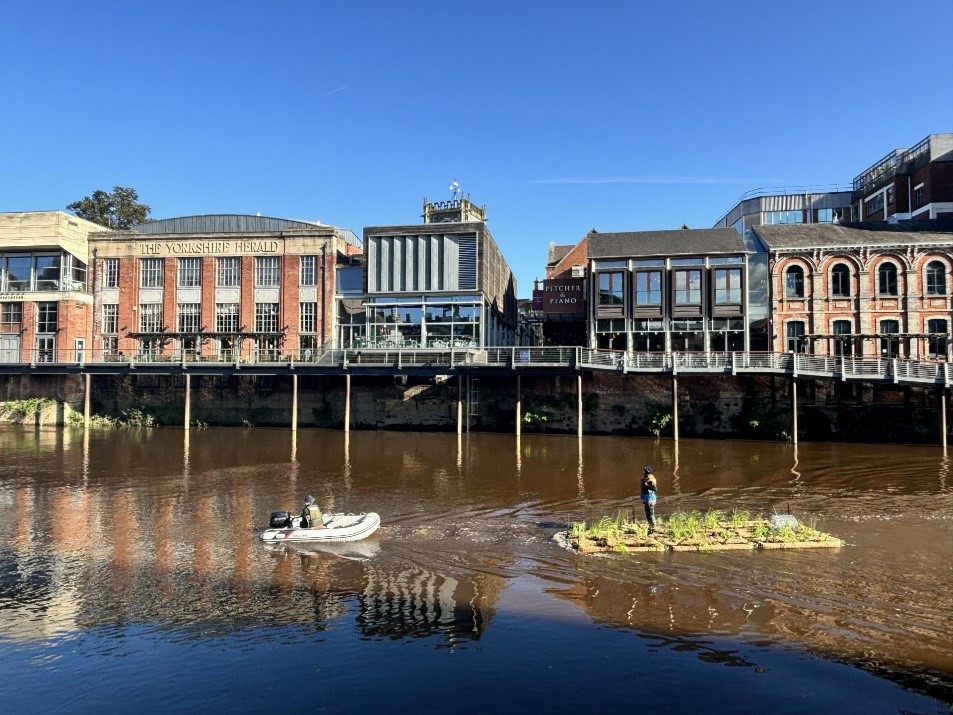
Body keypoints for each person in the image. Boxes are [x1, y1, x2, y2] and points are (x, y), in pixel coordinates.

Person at [640, 466, 657, 533]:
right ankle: (651, 527)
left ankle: (653, 529)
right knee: (648, 515)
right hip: (647, 500)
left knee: (650, 515)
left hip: (650, 499)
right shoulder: (645, 478)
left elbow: (654, 489)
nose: (643, 472)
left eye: (644, 471)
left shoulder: (651, 479)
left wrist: (646, 485)